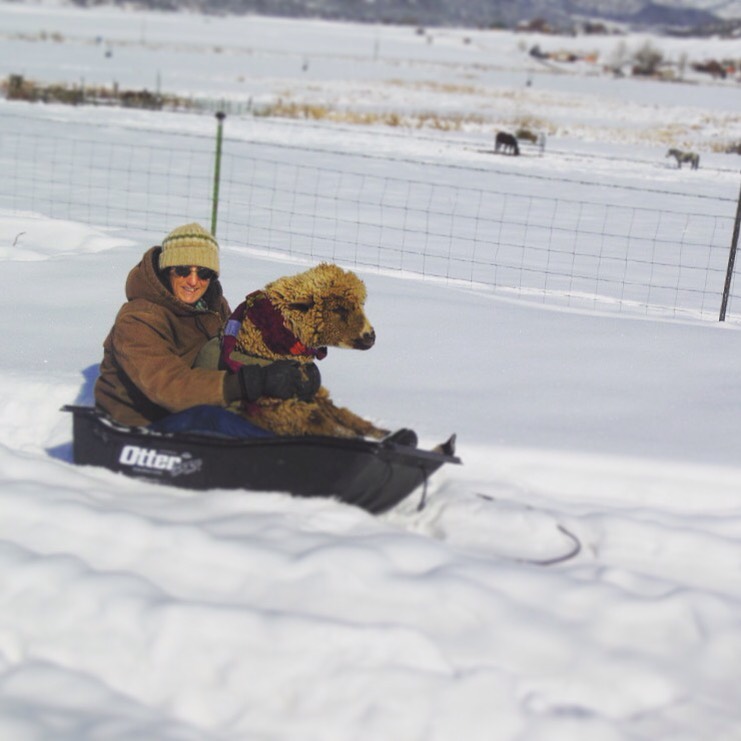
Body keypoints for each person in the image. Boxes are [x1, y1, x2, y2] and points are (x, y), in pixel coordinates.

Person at [94, 222, 319, 436]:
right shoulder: (139, 320)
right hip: (141, 420)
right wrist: (249, 382)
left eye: (203, 273)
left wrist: (284, 369)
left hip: (191, 402)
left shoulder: (212, 306)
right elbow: (169, 387)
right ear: (167, 270)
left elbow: (234, 349)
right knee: (223, 420)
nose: (193, 281)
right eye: (183, 270)